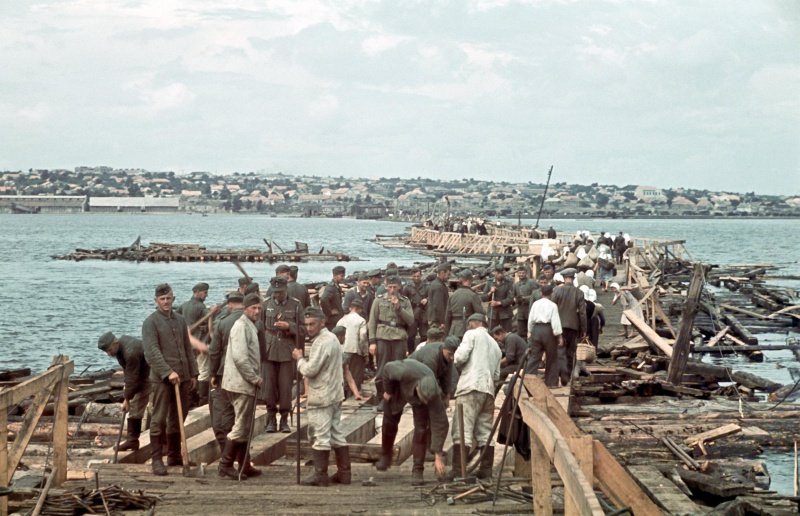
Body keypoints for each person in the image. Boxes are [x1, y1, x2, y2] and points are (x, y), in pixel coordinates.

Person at [141, 283, 198, 476]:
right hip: (162, 379)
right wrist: (167, 371)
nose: (166, 302)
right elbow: (151, 352)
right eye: (162, 299)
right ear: (156, 301)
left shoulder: (180, 320)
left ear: (173, 299)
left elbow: (187, 348)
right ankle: (157, 460)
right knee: (159, 418)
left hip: (182, 377)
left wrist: (192, 373)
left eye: (169, 298)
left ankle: (174, 455)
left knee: (178, 417)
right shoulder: (150, 322)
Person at [293, 307, 351, 487]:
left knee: (320, 435)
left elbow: (311, 370)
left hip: (322, 395)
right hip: (335, 393)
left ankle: (320, 474)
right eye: (306, 324)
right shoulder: (333, 339)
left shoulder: (321, 342)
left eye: (312, 324)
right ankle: (344, 473)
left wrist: (299, 359)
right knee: (336, 433)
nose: (309, 328)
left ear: (322, 322)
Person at [376, 359, 449, 485]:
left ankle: (417, 470)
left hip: (417, 396)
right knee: (389, 421)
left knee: (421, 430)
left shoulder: (434, 394)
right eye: (423, 398)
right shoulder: (401, 372)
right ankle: (386, 454)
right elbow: (387, 368)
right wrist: (388, 391)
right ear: (417, 388)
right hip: (398, 387)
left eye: (427, 401)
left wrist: (438, 455)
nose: (425, 402)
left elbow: (440, 423)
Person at [450, 314, 501, 480]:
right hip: (488, 391)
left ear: (474, 323)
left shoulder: (471, 335)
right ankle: (486, 470)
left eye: (468, 324)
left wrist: (456, 363)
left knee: (462, 429)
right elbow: (496, 375)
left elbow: (459, 357)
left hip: (470, 386)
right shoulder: (495, 345)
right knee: (485, 431)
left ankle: (458, 470)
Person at [219, 293, 263, 480]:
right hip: (240, 383)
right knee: (240, 426)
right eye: (253, 308)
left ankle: (244, 464)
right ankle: (225, 465)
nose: (257, 311)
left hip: (242, 382)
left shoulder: (249, 325)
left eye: (259, 308)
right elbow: (240, 358)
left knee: (245, 425)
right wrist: (254, 378)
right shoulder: (240, 326)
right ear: (245, 308)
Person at [261, 277, 304, 433]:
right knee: (269, 386)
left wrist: (289, 326)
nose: (276, 296)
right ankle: (271, 417)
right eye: (275, 292)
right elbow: (259, 329)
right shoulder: (265, 305)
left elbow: (303, 330)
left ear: (286, 290)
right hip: (269, 350)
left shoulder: (296, 305)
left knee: (286, 386)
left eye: (279, 293)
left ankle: (285, 418)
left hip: (287, 350)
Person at [97, 332, 150, 452]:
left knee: (137, 407)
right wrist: (127, 387)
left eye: (109, 350)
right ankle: (132, 441)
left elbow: (133, 377)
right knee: (135, 407)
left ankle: (133, 441)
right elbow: (128, 372)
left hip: (150, 376)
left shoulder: (130, 352)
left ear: (115, 343)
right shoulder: (120, 347)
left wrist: (127, 399)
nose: (109, 353)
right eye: (107, 352)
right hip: (141, 373)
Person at [368, 276, 414, 411]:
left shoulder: (405, 301)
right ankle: (382, 399)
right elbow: (372, 321)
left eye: (395, 287)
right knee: (382, 369)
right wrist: (372, 342)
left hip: (399, 337)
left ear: (400, 287)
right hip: (383, 337)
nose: (392, 290)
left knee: (399, 370)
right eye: (390, 287)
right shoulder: (379, 300)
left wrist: (399, 308)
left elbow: (410, 320)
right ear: (386, 286)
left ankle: (396, 399)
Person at [208, 292, 244, 454]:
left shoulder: (223, 323)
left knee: (223, 414)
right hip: (246, 377)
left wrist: (212, 374)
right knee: (243, 418)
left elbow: (214, 352)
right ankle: (242, 459)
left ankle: (226, 456)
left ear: (229, 305)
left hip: (224, 374)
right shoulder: (254, 323)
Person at [551, 268, 587, 386]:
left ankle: (559, 376)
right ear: (573, 278)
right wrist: (584, 330)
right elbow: (582, 313)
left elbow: (552, 308)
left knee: (558, 352)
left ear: (564, 278)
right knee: (570, 353)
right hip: (573, 326)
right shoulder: (579, 293)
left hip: (558, 327)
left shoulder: (556, 291)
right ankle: (567, 379)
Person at [178, 282, 212, 406]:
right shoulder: (201, 307)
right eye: (205, 293)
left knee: (191, 371)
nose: (206, 295)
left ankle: (190, 399)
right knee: (203, 371)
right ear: (197, 292)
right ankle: (203, 400)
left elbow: (176, 316)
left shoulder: (184, 305)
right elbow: (210, 320)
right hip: (199, 343)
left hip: (187, 345)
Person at [526, 284, 563, 387]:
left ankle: (528, 381)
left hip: (537, 330)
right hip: (548, 331)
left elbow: (531, 319)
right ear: (551, 294)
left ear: (541, 293)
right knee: (552, 357)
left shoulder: (535, 304)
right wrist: (559, 336)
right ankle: (551, 383)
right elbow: (555, 322)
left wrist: (529, 331)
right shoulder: (552, 305)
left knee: (534, 357)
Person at [338, 298, 369, 399]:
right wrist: (365, 353)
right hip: (356, 351)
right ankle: (353, 396)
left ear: (351, 308)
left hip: (343, 350)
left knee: (343, 375)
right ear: (359, 309)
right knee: (354, 377)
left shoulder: (341, 320)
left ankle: (343, 397)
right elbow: (363, 337)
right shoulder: (361, 320)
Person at [444, 270, 484, 339]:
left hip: (453, 330)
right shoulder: (472, 295)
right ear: (469, 280)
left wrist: (446, 333)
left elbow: (447, 316)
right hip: (468, 330)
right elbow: (480, 314)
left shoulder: (453, 295)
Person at [403, 268, 429, 355]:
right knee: (411, 335)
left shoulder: (426, 286)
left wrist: (427, 299)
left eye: (418, 276)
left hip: (423, 313)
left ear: (421, 276)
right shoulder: (407, 287)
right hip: (412, 313)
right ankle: (411, 353)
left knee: (424, 335)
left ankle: (423, 353)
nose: (417, 278)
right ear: (411, 276)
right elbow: (403, 299)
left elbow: (431, 296)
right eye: (414, 276)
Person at [482, 264, 514, 332]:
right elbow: (483, 298)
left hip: (505, 314)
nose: (500, 275)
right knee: (491, 333)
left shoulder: (509, 283)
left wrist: (499, 303)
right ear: (495, 272)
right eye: (498, 273)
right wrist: (490, 292)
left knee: (507, 333)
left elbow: (510, 299)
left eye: (501, 273)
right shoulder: (490, 282)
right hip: (492, 314)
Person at [513, 265, 537, 341]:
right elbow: (513, 297)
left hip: (530, 310)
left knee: (531, 331)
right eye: (519, 273)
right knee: (520, 332)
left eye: (523, 273)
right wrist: (515, 300)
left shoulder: (531, 282)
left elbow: (536, 295)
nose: (521, 275)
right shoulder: (516, 285)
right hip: (520, 312)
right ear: (517, 274)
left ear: (526, 273)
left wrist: (525, 298)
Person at [319, 265, 346, 330]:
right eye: (341, 276)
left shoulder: (337, 287)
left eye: (343, 276)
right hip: (332, 320)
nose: (343, 278)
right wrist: (329, 311)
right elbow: (323, 299)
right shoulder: (331, 287)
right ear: (335, 276)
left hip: (336, 320)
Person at [426, 264, 451, 331]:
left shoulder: (436, 284)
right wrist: (442, 321)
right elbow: (438, 306)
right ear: (442, 273)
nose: (448, 277)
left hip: (435, 319)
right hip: (437, 322)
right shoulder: (438, 286)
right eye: (448, 274)